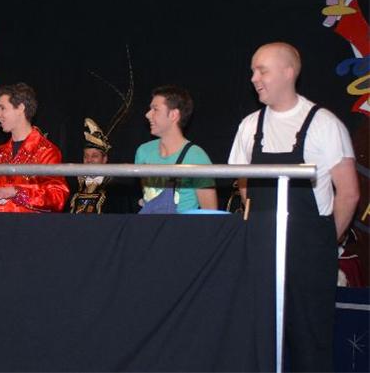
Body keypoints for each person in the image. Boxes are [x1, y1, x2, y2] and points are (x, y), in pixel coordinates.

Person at [229, 41, 359, 371]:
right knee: (257, 341)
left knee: (310, 345)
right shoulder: (249, 126)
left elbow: (348, 193)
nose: (254, 78)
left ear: (288, 73)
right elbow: (243, 184)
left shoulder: (324, 124)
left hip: (310, 256)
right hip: (260, 251)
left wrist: (323, 243)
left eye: (262, 71)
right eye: (253, 71)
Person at [0, 83, 69, 212]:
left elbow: (57, 197)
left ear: (20, 108)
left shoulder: (46, 151)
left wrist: (15, 192)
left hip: (28, 225)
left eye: (2, 108)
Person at [134, 85, 217, 213]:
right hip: (148, 224)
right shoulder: (143, 152)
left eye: (155, 109)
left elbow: (210, 214)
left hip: (183, 226)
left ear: (174, 115)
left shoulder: (197, 157)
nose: (147, 115)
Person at [68, 118, 114, 214]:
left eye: (94, 156)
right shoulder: (73, 184)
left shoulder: (115, 187)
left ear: (104, 159)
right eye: (86, 156)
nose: (89, 160)